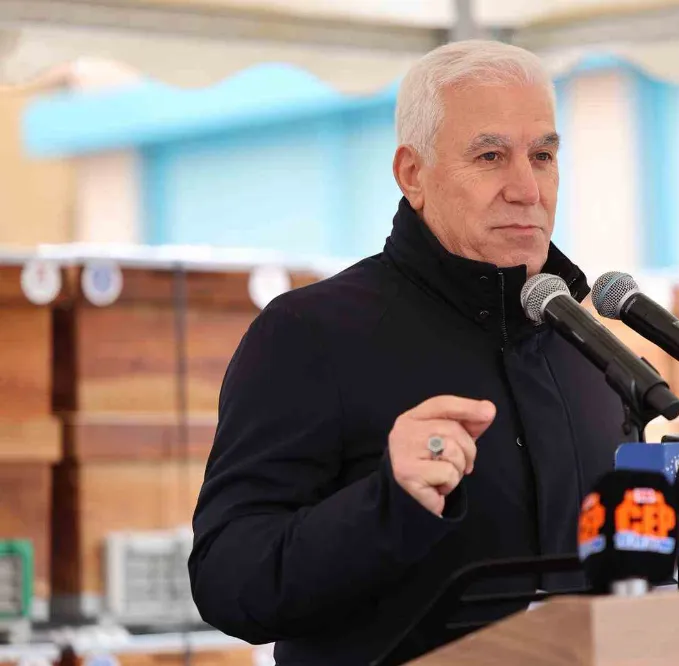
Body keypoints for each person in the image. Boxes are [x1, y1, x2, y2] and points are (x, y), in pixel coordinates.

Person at [188, 39, 626, 665]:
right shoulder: (310, 332)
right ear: (412, 174)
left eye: (543, 155)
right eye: (491, 156)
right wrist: (388, 504)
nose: (527, 188)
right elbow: (227, 581)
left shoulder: (586, 347)